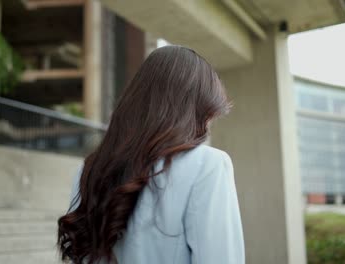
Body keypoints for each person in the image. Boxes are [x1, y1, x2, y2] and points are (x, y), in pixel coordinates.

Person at [57, 45, 244, 264]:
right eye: (207, 117)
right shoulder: (208, 165)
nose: (206, 128)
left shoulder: (89, 171)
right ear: (193, 113)